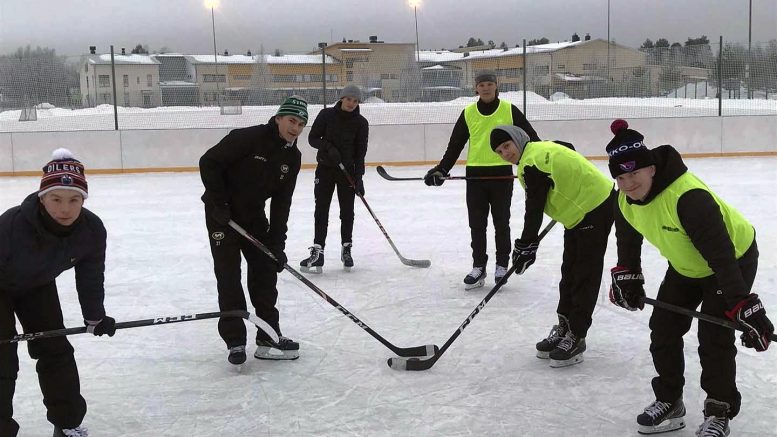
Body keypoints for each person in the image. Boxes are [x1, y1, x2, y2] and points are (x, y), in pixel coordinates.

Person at [604, 119, 773, 436]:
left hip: (731, 259)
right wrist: (628, 275)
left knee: (714, 335)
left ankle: (719, 410)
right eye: (620, 176)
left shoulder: (689, 198)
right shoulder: (624, 201)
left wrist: (742, 305)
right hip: (686, 266)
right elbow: (628, 243)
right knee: (663, 328)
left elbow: (721, 257)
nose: (628, 183)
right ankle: (669, 400)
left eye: (634, 173)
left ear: (651, 168)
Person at [0, 149, 116, 437]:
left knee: (56, 350)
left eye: (74, 199)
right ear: (42, 198)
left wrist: (95, 317)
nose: (66, 208)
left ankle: (68, 421)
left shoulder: (91, 230)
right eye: (56, 199)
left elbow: (90, 277)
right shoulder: (12, 226)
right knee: (2, 357)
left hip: (37, 285)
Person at [490, 126, 616, 368]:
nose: (504, 153)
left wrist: (526, 244)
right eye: (498, 151)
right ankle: (564, 325)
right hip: (579, 214)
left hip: (594, 207)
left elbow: (534, 208)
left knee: (584, 274)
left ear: (517, 140)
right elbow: (567, 147)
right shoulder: (538, 150)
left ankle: (577, 335)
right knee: (569, 271)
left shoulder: (531, 163)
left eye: (506, 146)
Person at [199, 96, 308, 365]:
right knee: (228, 276)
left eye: (301, 124)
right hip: (221, 215)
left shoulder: (292, 157)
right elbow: (209, 162)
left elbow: (282, 203)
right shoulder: (248, 138)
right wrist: (219, 202)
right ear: (279, 118)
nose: (295, 128)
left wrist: (277, 244)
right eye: (292, 120)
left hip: (253, 216)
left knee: (264, 272)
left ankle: (268, 336)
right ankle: (235, 341)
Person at [424, 71, 540, 290]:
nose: (485, 88)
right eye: (481, 84)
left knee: (501, 223)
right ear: (475, 88)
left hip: (502, 175)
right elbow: (455, 144)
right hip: (475, 176)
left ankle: (501, 265)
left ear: (496, 87)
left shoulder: (509, 110)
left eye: (490, 84)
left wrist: (542, 163)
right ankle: (478, 266)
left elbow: (531, 138)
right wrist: (442, 169)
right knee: (477, 225)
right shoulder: (468, 113)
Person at [300, 84, 369, 273]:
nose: (352, 104)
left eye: (355, 101)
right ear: (341, 98)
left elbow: (360, 153)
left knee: (347, 212)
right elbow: (313, 138)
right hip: (325, 170)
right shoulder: (326, 115)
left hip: (347, 173)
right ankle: (318, 253)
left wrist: (359, 178)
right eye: (349, 99)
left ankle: (346, 249)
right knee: (321, 210)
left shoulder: (361, 123)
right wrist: (328, 147)